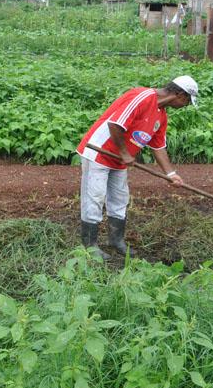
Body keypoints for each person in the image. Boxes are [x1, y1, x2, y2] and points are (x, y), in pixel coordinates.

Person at [75, 76, 198, 260]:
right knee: (95, 198)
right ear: (179, 95)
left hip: (119, 161)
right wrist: (125, 153)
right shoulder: (142, 97)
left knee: (119, 198)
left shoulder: (161, 115)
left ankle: (116, 241)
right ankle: (90, 247)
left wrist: (171, 174)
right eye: (188, 101)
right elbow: (115, 124)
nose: (186, 105)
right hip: (100, 154)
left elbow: (158, 147)